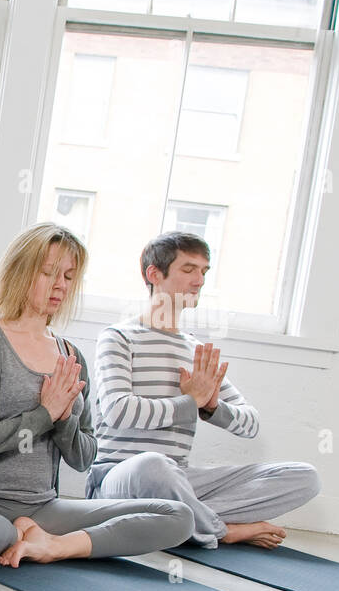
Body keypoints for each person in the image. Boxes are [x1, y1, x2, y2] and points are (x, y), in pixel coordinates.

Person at [0, 223, 194, 566]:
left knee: (177, 516)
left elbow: (84, 458)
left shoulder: (72, 357)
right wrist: (43, 416)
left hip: (42, 507)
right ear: (20, 273)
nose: (59, 285)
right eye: (48, 272)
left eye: (68, 276)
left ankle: (54, 545)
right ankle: (17, 533)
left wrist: (65, 421)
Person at [86, 231, 321, 548]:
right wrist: (189, 401)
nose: (199, 280)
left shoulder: (195, 351)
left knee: (304, 477)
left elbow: (250, 423)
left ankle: (178, 519)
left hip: (179, 481)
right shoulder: (118, 337)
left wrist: (211, 407)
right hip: (121, 478)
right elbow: (118, 410)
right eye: (188, 269)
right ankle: (221, 530)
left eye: (204, 271)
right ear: (154, 274)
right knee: (153, 464)